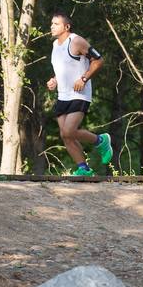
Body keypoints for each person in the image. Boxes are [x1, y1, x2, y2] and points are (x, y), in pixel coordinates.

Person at [47, 11, 113, 176]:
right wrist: (54, 80)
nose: (52, 26)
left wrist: (83, 79)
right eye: (52, 23)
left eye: (56, 24)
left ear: (66, 26)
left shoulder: (76, 41)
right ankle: (84, 169)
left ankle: (101, 141)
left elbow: (98, 60)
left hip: (79, 94)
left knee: (69, 131)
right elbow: (64, 68)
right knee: (65, 135)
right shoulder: (55, 45)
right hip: (63, 95)